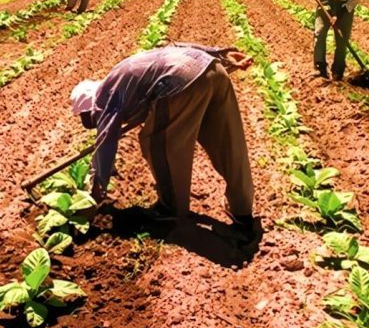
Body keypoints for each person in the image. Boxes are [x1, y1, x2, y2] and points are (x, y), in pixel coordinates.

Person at [69, 43, 255, 234]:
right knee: (228, 143)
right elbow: (173, 46)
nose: (94, 122)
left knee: (158, 144)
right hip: (212, 69)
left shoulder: (104, 96)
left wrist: (98, 187)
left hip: (179, 82)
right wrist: (220, 55)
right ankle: (242, 210)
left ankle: (170, 209)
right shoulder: (124, 77)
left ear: (89, 106)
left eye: (90, 119)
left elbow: (106, 142)